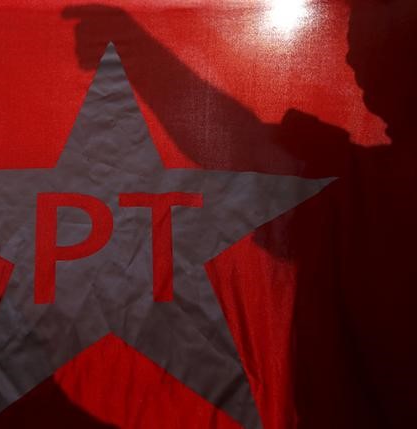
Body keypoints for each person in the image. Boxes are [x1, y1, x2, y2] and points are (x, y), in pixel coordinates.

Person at [63, 1, 417, 427]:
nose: (350, 58)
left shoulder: (376, 181)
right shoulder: (367, 176)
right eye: (353, 42)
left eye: (369, 43)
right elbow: (235, 136)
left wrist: (132, 47)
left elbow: (234, 135)